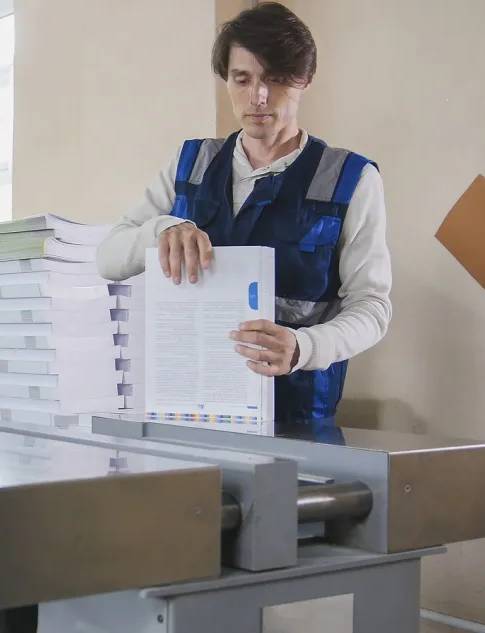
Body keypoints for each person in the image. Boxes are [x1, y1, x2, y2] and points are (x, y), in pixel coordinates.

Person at [95, 2, 392, 440]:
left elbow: (373, 307)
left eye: (275, 79)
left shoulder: (350, 180)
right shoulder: (190, 164)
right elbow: (108, 258)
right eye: (243, 79)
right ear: (227, 80)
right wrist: (163, 228)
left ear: (305, 80)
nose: (258, 97)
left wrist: (302, 348)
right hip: (189, 412)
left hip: (298, 420)